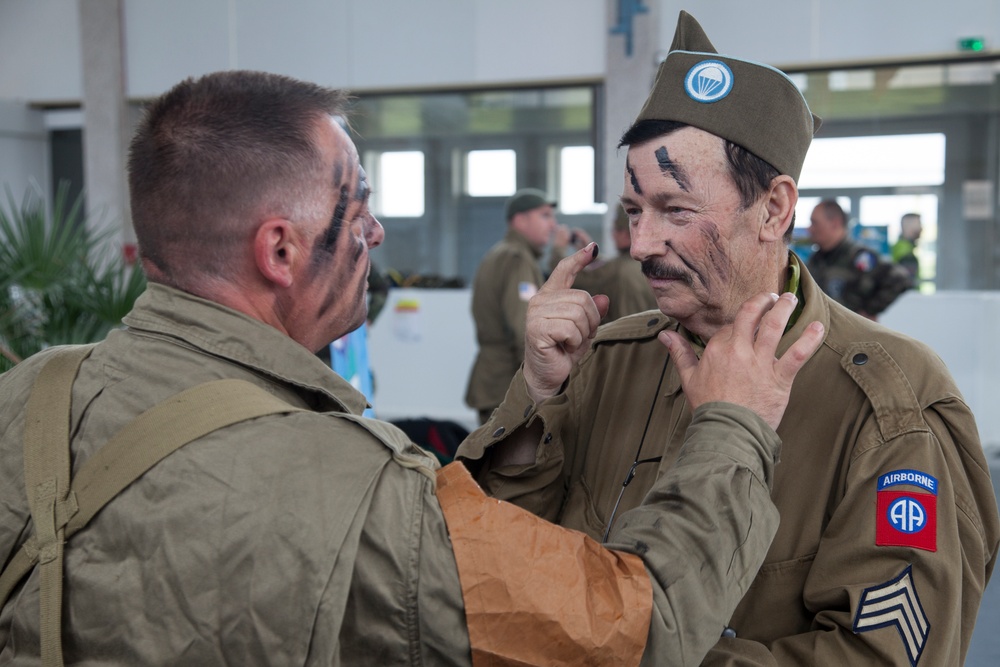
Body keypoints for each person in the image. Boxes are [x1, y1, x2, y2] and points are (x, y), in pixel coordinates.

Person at [0, 70, 825, 666]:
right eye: (355, 206)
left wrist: (537, 394)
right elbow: (644, 626)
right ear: (281, 249)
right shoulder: (358, 497)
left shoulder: (26, 400)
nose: (377, 231)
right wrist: (735, 426)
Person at [457, 11, 1000, 667]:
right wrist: (536, 399)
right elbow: (486, 567)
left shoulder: (890, 402)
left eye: (676, 210)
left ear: (773, 208)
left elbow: (882, 654)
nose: (643, 243)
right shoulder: (604, 359)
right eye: (634, 211)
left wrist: (628, 646)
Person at [464, 188, 558, 425]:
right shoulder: (517, 259)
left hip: (497, 382)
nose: (553, 225)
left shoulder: (500, 254)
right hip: (510, 387)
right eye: (545, 216)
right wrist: (540, 386)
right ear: (520, 220)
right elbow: (524, 328)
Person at [807, 199, 913, 319]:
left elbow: (900, 278)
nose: (809, 229)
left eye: (814, 223)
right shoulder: (816, 260)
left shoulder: (859, 257)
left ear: (835, 223)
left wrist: (869, 311)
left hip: (851, 333)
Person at [564, 206, 658, 323]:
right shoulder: (655, 266)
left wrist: (558, 249)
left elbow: (572, 279)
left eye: (615, 230)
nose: (613, 236)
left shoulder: (619, 270)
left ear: (625, 234)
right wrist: (591, 252)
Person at [892, 212, 923, 284]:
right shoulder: (906, 254)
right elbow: (907, 283)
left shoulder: (898, 247)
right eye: (919, 223)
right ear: (909, 226)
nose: (921, 228)